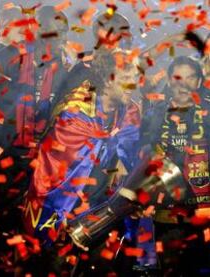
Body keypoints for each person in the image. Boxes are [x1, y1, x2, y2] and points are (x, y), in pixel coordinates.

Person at [23, 48, 141, 251]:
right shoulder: (75, 113)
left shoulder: (129, 112)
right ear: (107, 79)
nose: (133, 85)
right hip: (61, 206)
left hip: (100, 209)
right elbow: (53, 175)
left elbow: (129, 158)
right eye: (126, 78)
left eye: (136, 77)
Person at [140, 56, 210, 276]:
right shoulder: (155, 113)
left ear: (198, 82)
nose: (184, 84)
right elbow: (142, 158)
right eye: (178, 77)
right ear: (170, 81)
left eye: (190, 78)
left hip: (205, 210)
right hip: (167, 211)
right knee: (171, 269)